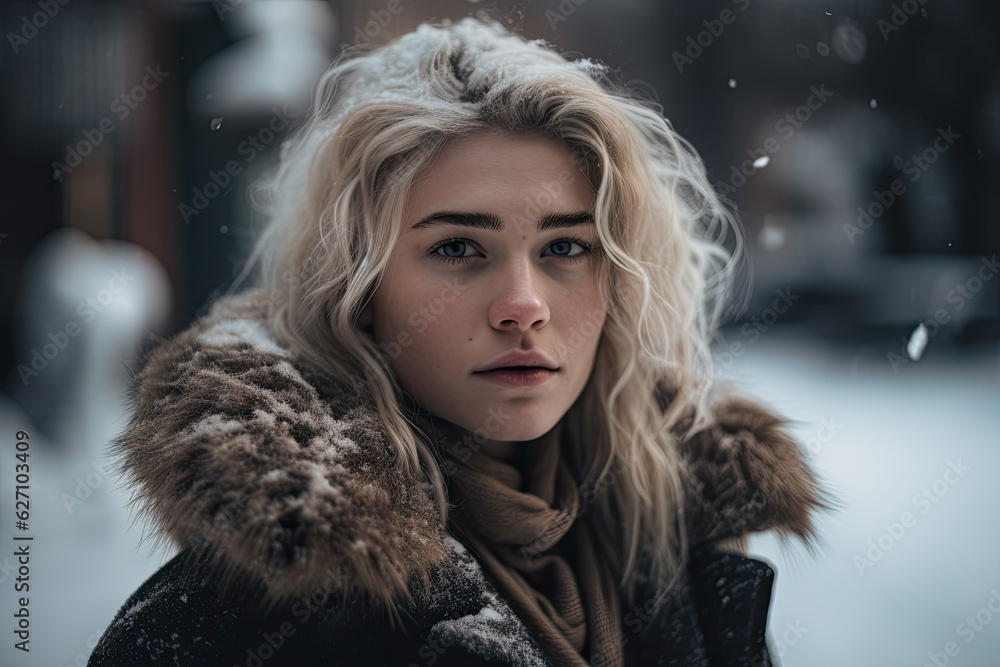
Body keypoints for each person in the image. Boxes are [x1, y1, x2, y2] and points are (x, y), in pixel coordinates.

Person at [89, 15, 830, 667]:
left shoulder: (684, 543)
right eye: (456, 249)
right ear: (360, 286)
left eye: (565, 248)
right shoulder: (223, 623)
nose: (522, 306)